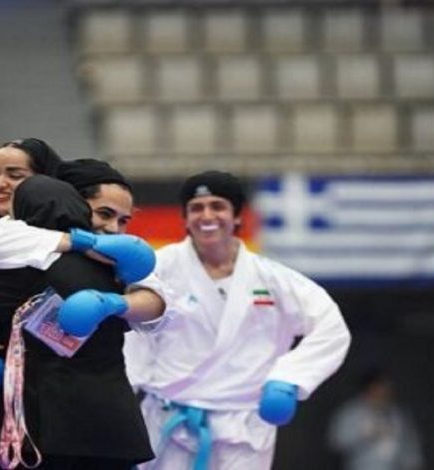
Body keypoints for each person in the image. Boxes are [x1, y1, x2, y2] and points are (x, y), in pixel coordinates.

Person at [0, 175, 159, 469]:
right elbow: (160, 303)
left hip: (45, 436)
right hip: (113, 432)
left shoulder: (15, 270)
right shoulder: (114, 268)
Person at [123, 170, 352, 470]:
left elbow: (331, 326)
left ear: (237, 216)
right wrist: (124, 393)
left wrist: (289, 379)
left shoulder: (271, 278)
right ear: (186, 218)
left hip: (244, 426)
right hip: (169, 418)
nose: (207, 215)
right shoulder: (159, 268)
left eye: (217, 206)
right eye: (196, 208)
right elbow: (132, 335)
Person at [328, 367, 423, 470]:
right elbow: (337, 442)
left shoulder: (398, 414)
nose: (383, 392)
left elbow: (410, 447)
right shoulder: (351, 413)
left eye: (386, 387)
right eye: (379, 388)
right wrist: (365, 435)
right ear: (369, 389)